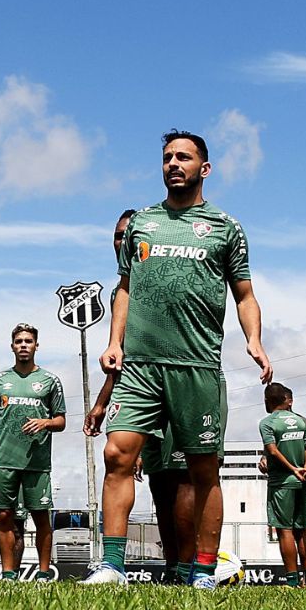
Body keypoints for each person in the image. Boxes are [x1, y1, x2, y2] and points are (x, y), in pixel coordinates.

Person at [85, 130, 272, 588]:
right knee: (116, 455)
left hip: (197, 367)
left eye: (183, 157)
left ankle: (204, 569)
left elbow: (245, 294)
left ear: (203, 169)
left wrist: (255, 340)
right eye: (168, 157)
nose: (174, 163)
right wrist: (114, 343)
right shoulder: (142, 224)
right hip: (141, 367)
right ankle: (112, 565)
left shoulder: (226, 228)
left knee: (203, 468)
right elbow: (124, 288)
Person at [84, 209, 195, 584]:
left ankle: (187, 568)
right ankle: (114, 564)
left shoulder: (166, 274)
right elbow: (120, 355)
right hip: (137, 386)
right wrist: (102, 402)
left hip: (180, 382)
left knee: (177, 480)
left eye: (127, 236)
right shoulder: (120, 291)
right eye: (116, 236)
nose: (121, 242)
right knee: (123, 460)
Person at [0, 323, 66, 582]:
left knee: (40, 517)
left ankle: (44, 572)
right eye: (19, 341)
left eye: (28, 341)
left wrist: (46, 422)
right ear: (12, 346)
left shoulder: (50, 381)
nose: (24, 345)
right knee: (4, 515)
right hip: (4, 460)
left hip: (37, 462)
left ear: (37, 345)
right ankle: (8, 573)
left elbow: (61, 421)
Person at [259, 382, 306, 587]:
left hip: (281, 482)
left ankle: (292, 580)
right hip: (302, 481)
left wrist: (293, 469)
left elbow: (273, 450)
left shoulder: (267, 423)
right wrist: (305, 470)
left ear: (267, 401)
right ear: (288, 400)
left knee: (284, 530)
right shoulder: (302, 422)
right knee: (301, 529)